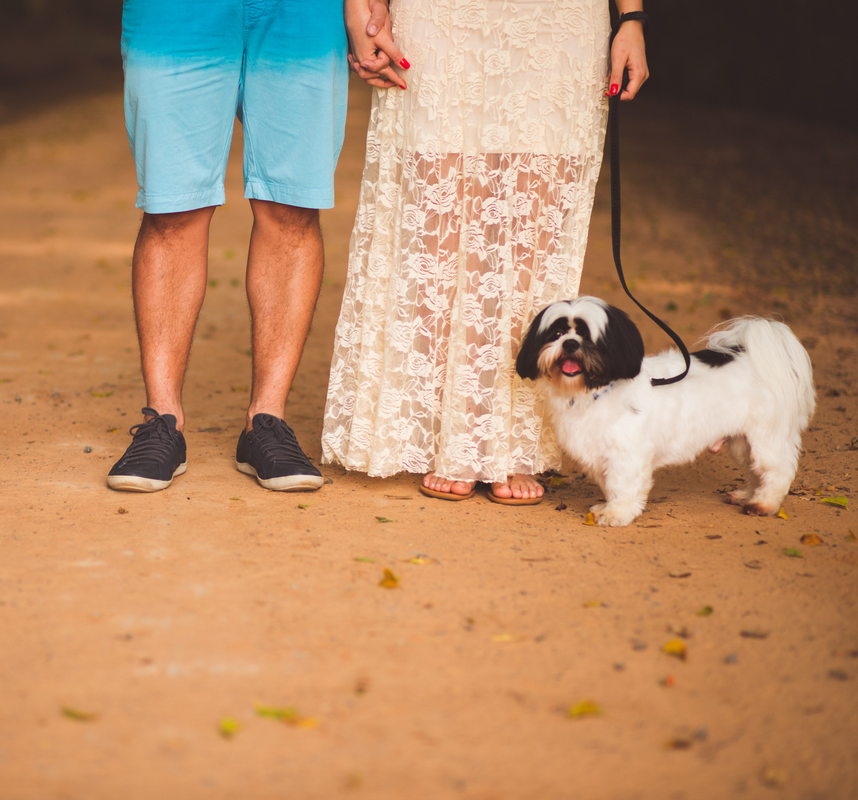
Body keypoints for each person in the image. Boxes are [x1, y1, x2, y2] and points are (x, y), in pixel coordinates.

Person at [322, 0, 649, 503]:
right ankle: (451, 434)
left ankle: (507, 440)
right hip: (443, 18)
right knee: (435, 222)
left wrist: (631, 19)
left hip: (556, 23)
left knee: (534, 230)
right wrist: (359, 9)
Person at [107, 0, 366, 493]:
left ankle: (266, 423)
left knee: (291, 207)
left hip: (304, 12)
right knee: (171, 208)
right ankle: (163, 422)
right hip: (175, 12)